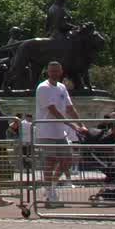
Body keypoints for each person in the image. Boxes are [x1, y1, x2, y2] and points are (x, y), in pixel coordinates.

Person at [33, 60, 83, 206]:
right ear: (48, 72)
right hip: (46, 131)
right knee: (50, 161)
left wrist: (81, 124)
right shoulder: (43, 87)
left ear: (61, 72)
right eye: (51, 71)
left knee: (67, 160)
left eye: (56, 71)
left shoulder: (61, 87)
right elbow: (53, 110)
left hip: (60, 132)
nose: (54, 73)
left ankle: (51, 185)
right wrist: (72, 124)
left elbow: (70, 108)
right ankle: (49, 191)